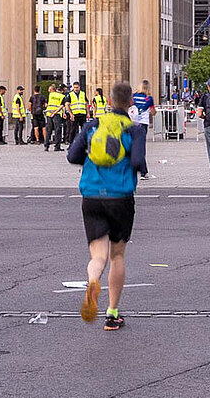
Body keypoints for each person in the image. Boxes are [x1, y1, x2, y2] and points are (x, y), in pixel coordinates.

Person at [67, 80, 149, 330]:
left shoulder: (93, 125)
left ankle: (93, 281)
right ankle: (112, 314)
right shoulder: (134, 130)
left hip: (91, 195)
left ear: (110, 101)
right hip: (120, 197)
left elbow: (72, 156)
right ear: (131, 103)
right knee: (117, 255)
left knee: (98, 256)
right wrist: (142, 169)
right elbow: (137, 161)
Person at [43, 84, 67, 152]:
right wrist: (56, 112)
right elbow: (62, 106)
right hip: (57, 114)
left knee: (48, 131)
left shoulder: (51, 95)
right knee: (57, 130)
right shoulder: (62, 96)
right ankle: (57, 146)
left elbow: (47, 104)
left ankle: (46, 146)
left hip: (49, 114)